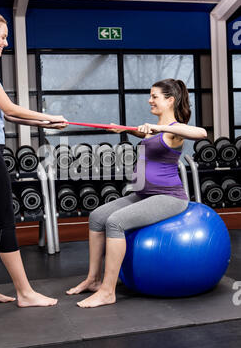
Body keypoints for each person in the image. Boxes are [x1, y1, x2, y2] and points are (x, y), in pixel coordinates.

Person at [66, 78, 207, 308]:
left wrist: (160, 127)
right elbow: (148, 138)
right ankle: (93, 279)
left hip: (169, 197)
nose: (149, 100)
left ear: (170, 100)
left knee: (115, 222)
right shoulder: (152, 131)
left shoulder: (173, 131)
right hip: (143, 194)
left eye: (155, 96)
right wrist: (123, 129)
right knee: (97, 216)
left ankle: (107, 291)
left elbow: (201, 133)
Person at [0, 6, 68, 308]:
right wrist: (49, 115)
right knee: (7, 221)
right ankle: (25, 292)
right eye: (3, 37)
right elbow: (10, 109)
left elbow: (9, 116)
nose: (4, 43)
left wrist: (48, 123)